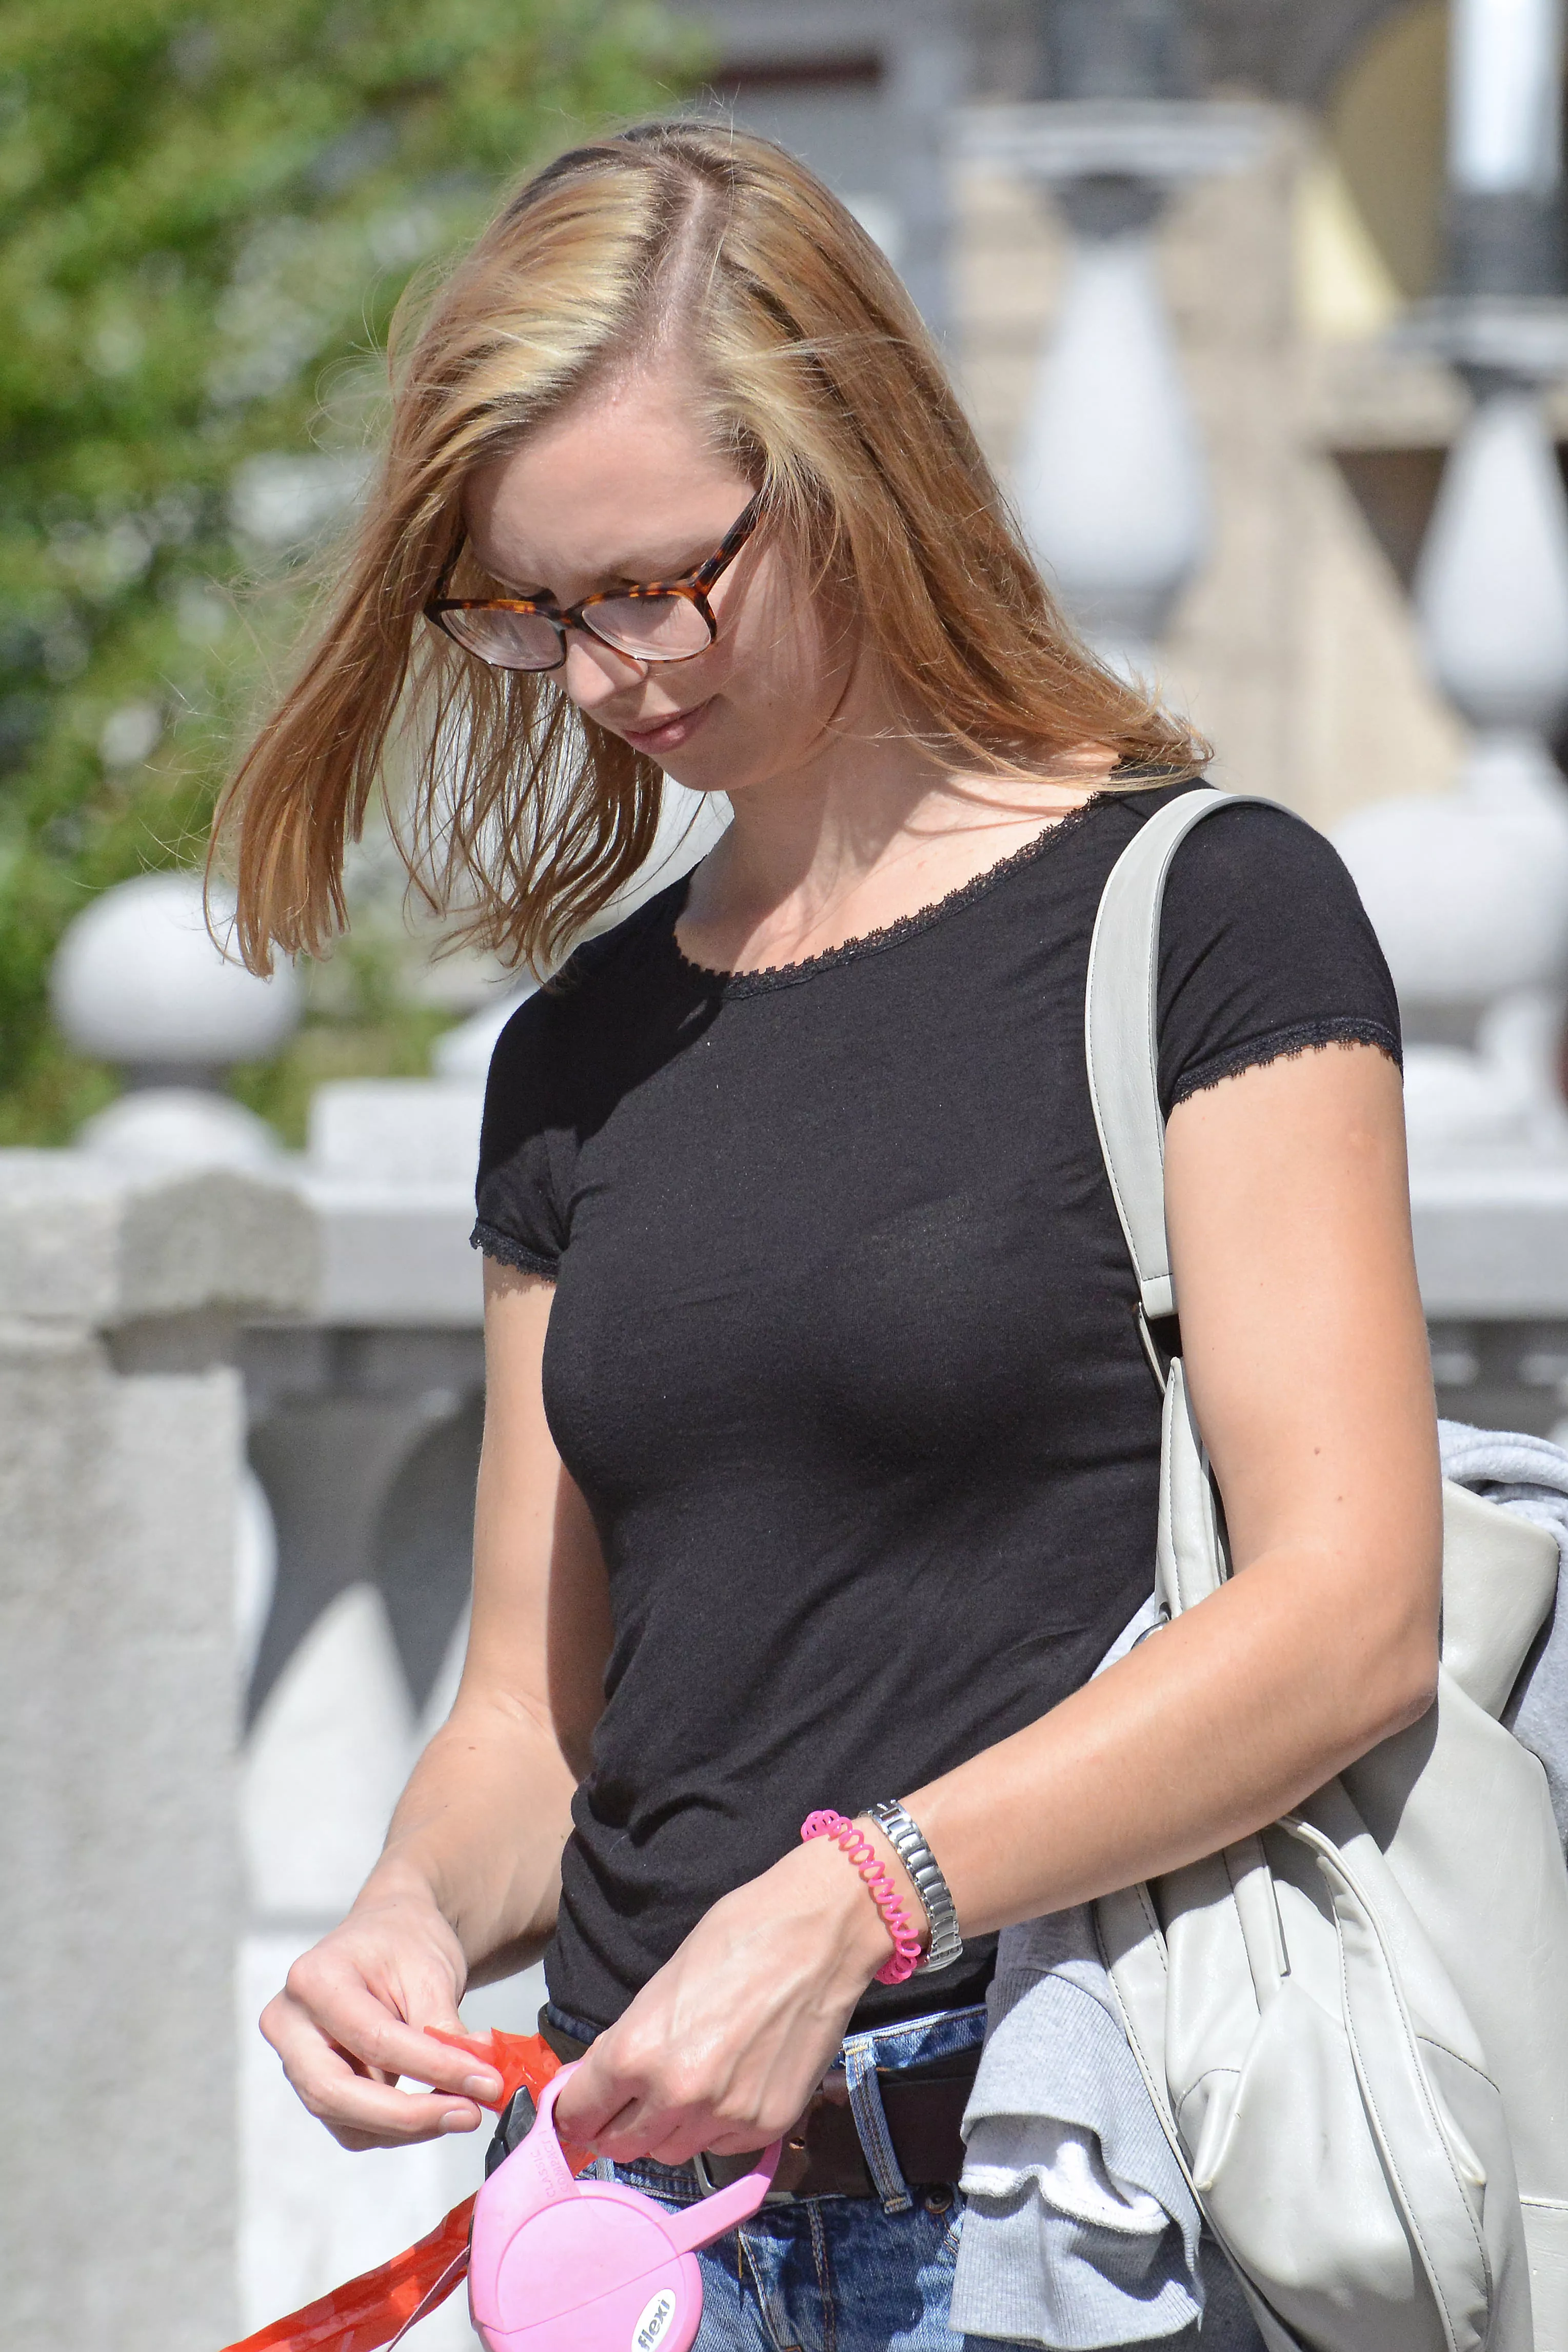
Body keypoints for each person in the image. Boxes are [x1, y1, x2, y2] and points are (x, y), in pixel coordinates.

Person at [222, 122, 1440, 2350]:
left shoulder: (1205, 915)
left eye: (648, 585)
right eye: (530, 613)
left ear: (851, 470)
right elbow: (531, 1722)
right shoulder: (577, 1053)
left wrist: (862, 1898)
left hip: (1041, 2211)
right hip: (623, 2234)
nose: (602, 677)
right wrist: (407, 1909)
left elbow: (1347, 1615)